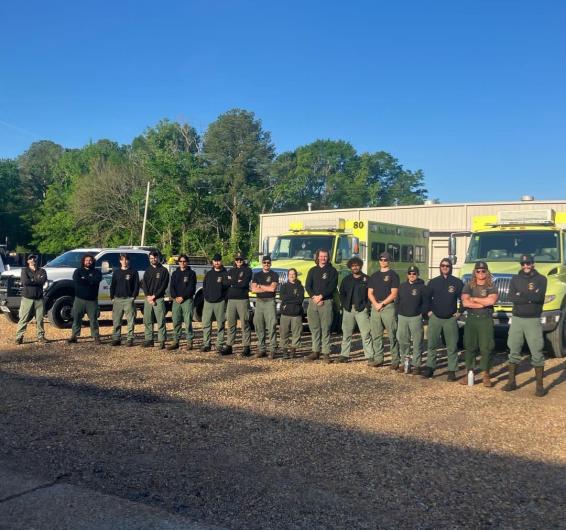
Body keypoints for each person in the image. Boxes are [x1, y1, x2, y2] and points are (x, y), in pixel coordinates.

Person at [502, 254, 548, 396]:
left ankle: (539, 387)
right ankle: (511, 382)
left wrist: (521, 295)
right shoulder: (515, 279)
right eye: (523, 264)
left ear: (533, 264)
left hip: (533, 319)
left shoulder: (541, 279)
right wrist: (529, 296)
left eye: (528, 263)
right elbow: (511, 297)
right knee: (513, 349)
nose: (526, 266)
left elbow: (539, 297)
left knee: (537, 351)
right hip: (517, 319)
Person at [421, 258, 463, 381]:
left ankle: (452, 370)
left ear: (451, 268)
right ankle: (430, 367)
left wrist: (460, 311)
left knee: (452, 346)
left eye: (447, 266)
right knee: (432, 344)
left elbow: (464, 298)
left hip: (450, 319)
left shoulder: (457, 283)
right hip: (435, 318)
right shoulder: (433, 282)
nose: (445, 267)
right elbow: (426, 298)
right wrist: (428, 312)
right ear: (440, 267)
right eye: (442, 265)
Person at [460, 261, 498, 387]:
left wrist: (475, 299)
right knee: (470, 346)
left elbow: (491, 300)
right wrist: (482, 303)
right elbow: (465, 303)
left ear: (487, 272)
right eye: (478, 271)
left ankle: (486, 374)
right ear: (474, 272)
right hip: (471, 319)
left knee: (486, 347)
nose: (481, 273)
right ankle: (469, 372)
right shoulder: (468, 285)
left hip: (485, 319)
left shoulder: (491, 286)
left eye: (483, 271)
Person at [336, 256, 374, 363]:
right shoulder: (346, 280)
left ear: (360, 266)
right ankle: (344, 355)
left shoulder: (366, 279)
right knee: (346, 333)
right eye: (352, 266)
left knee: (366, 334)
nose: (355, 267)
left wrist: (367, 307)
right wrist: (344, 305)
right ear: (350, 267)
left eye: (357, 265)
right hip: (348, 309)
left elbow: (370, 295)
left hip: (361, 310)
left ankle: (369, 356)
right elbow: (341, 294)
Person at [305, 248, 338, 362]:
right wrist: (314, 297)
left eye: (325, 256)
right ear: (317, 257)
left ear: (328, 257)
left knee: (326, 328)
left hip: (326, 302)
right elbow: (308, 286)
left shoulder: (332, 271)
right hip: (313, 302)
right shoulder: (312, 270)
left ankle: (326, 353)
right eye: (321, 256)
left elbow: (332, 287)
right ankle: (315, 351)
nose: (323, 258)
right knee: (314, 328)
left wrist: (321, 296)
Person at [367, 251, 400, 368]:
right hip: (375, 307)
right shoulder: (374, 275)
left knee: (393, 335)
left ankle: (395, 361)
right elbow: (370, 293)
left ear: (389, 261)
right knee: (376, 334)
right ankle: (378, 359)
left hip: (388, 307)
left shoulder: (393, 275)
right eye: (381, 259)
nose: (383, 261)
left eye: (385, 260)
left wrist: (383, 304)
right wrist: (375, 304)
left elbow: (394, 293)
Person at [396, 265, 427, 374]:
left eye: (414, 273)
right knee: (403, 341)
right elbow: (397, 301)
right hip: (402, 317)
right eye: (410, 273)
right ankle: (404, 363)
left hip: (416, 317)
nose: (412, 275)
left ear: (417, 275)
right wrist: (397, 314)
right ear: (407, 275)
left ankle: (416, 365)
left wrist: (422, 315)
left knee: (417, 342)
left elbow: (425, 302)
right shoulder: (402, 286)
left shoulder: (422, 287)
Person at [68, 253, 102, 344]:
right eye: (86, 260)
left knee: (94, 319)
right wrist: (89, 281)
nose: (88, 262)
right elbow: (77, 281)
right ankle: (74, 336)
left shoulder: (97, 272)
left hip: (92, 300)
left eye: (90, 260)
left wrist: (85, 280)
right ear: (83, 261)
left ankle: (96, 337)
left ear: (93, 262)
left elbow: (96, 280)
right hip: (79, 299)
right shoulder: (78, 271)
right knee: (76, 318)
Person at [223, 253, 252, 356]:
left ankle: (246, 347)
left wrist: (232, 281)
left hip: (242, 299)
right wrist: (236, 281)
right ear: (235, 261)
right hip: (231, 300)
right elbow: (225, 282)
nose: (239, 261)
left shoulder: (248, 270)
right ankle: (229, 346)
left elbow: (244, 283)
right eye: (237, 260)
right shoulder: (231, 270)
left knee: (245, 323)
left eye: (240, 259)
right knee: (231, 323)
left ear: (243, 260)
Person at [15, 254, 47, 345]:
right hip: (27, 298)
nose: (33, 260)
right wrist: (36, 280)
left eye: (34, 258)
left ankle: (41, 336)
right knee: (23, 318)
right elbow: (25, 282)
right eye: (30, 258)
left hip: (39, 298)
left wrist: (32, 280)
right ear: (28, 261)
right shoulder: (24, 270)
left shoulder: (42, 270)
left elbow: (43, 281)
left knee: (40, 319)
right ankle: (19, 337)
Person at [250, 255, 279, 358]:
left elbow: (272, 289)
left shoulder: (274, 274)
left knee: (272, 326)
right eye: (264, 262)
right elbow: (253, 289)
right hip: (259, 302)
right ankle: (262, 349)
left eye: (268, 263)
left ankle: (272, 349)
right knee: (259, 325)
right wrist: (266, 287)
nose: (266, 264)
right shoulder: (257, 275)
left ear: (270, 263)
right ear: (262, 263)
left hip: (270, 302)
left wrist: (260, 286)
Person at [140, 250, 170, 349]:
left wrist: (154, 296)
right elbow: (144, 284)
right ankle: (149, 340)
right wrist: (148, 296)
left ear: (158, 258)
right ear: (149, 259)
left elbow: (163, 286)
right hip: (148, 299)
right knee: (147, 320)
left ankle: (162, 341)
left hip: (159, 299)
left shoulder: (163, 271)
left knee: (160, 320)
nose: (153, 260)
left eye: (155, 258)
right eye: (151, 258)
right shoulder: (147, 270)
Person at [168, 254, 197, 351]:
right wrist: (175, 296)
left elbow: (191, 288)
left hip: (187, 300)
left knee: (188, 321)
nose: (182, 263)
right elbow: (172, 286)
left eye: (184, 261)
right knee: (176, 321)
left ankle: (189, 342)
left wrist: (183, 297)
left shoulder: (191, 273)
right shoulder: (175, 273)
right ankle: (176, 341)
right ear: (178, 262)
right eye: (180, 261)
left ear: (187, 262)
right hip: (176, 300)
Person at [110, 254, 140, 347]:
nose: (125, 261)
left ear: (128, 261)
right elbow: (113, 285)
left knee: (130, 321)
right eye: (122, 260)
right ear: (120, 261)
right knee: (116, 321)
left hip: (128, 299)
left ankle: (130, 339)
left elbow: (136, 286)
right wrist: (112, 297)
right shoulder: (116, 272)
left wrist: (133, 297)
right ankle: (116, 338)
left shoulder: (133, 272)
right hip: (117, 299)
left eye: (126, 260)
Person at [201, 254, 228, 353]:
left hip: (220, 302)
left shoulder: (225, 274)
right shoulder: (209, 274)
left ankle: (219, 344)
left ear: (221, 261)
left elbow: (227, 289)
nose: (216, 262)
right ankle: (206, 344)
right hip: (208, 302)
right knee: (206, 324)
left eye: (218, 260)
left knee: (220, 324)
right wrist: (206, 297)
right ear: (212, 262)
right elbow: (204, 286)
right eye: (215, 260)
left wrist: (223, 299)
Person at [278, 268, 304, 358]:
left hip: (296, 314)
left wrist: (289, 298)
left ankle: (293, 351)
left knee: (296, 334)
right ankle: (284, 351)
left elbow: (300, 299)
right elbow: (282, 297)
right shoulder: (284, 286)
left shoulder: (300, 287)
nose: (292, 276)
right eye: (290, 274)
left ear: (296, 275)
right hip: (285, 313)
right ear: (288, 276)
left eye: (293, 274)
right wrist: (294, 297)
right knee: (284, 333)